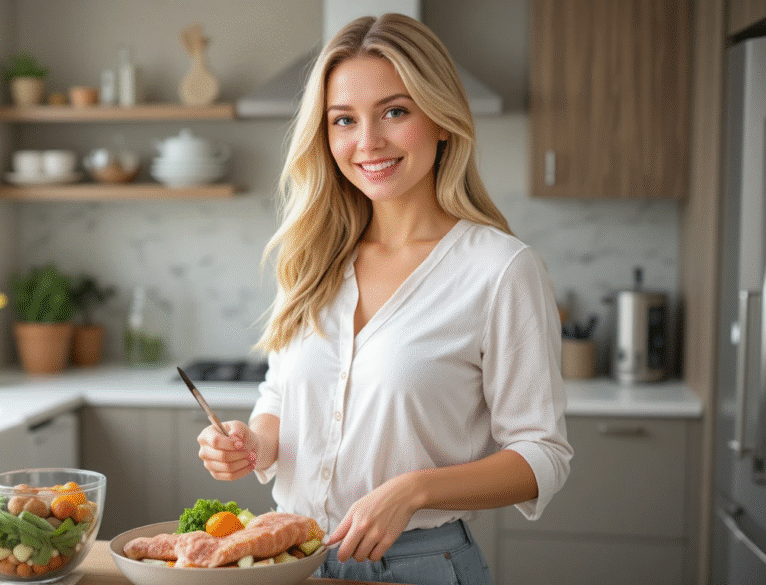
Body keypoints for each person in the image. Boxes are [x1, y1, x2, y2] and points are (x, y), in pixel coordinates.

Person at [196, 13, 571, 585]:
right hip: (290, 561)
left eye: (395, 111)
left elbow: (542, 455)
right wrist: (255, 442)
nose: (367, 141)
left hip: (420, 566)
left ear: (442, 121)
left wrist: (414, 490)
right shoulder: (312, 258)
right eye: (344, 119)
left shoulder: (500, 270)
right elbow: (281, 393)